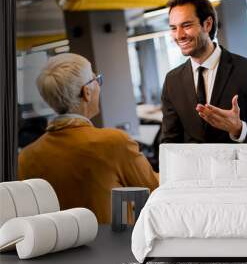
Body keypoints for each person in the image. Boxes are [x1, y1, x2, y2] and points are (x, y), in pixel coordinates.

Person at [18, 53, 159, 223]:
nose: (99, 85)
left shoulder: (25, 158)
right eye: (96, 79)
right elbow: (153, 190)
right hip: (115, 246)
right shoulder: (113, 142)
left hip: (62, 248)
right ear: (87, 92)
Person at [161, 0, 247, 144]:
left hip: (239, 166)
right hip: (194, 167)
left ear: (207, 24)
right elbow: (169, 141)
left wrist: (239, 129)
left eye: (186, 25)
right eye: (173, 28)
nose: (179, 35)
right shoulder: (172, 80)